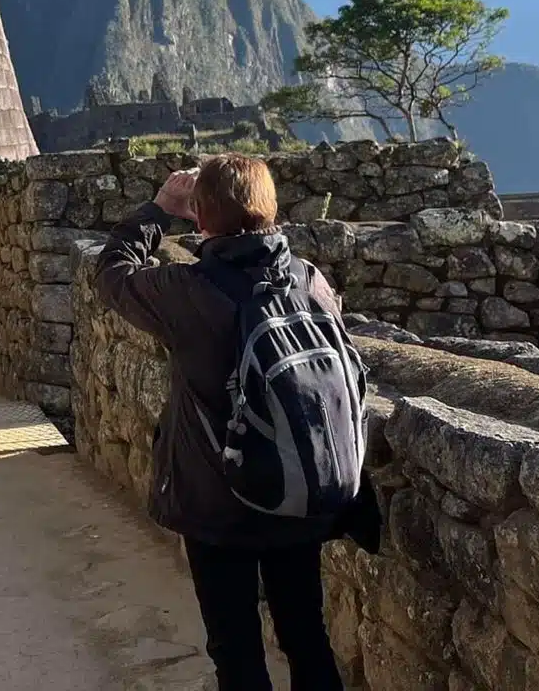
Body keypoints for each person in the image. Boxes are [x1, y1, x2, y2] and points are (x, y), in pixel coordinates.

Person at [94, 154, 351, 691]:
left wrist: (160, 209)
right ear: (272, 210)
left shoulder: (186, 292)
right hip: (298, 489)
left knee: (235, 650)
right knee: (307, 635)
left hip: (218, 501)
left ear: (202, 219)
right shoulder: (309, 281)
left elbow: (113, 273)